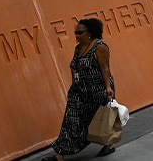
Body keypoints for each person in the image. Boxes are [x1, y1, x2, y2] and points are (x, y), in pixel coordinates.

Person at [50, 17, 117, 160]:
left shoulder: (100, 47)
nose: (77, 36)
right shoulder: (78, 49)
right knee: (71, 119)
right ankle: (60, 154)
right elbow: (74, 67)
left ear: (90, 33)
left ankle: (109, 144)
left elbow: (105, 69)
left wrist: (108, 87)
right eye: (75, 32)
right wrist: (74, 86)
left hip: (98, 90)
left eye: (80, 32)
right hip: (79, 91)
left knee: (99, 118)